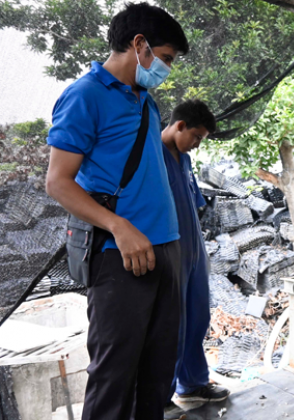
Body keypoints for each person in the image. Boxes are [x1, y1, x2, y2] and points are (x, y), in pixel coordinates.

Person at [45, 3, 189, 419]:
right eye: (164, 59)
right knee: (114, 376)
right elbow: (58, 182)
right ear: (138, 44)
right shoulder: (84, 95)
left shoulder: (145, 100)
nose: (166, 69)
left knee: (158, 372)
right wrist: (117, 226)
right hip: (119, 254)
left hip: (166, 247)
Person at [160, 100, 229, 419]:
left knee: (197, 318)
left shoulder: (184, 159)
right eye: (197, 137)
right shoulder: (152, 156)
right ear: (179, 126)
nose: (198, 144)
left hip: (194, 250)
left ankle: (194, 384)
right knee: (170, 324)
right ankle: (160, 397)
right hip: (168, 250)